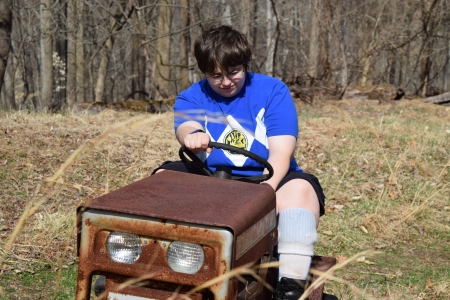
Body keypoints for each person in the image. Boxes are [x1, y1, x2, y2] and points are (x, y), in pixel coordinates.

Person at [153, 25, 329, 300]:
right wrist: (193, 135)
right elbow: (185, 126)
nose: (226, 82)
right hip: (211, 176)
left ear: (245, 64)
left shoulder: (272, 91)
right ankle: (151, 266)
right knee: (162, 177)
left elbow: (281, 153)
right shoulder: (192, 96)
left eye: (233, 72)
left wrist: (262, 195)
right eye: (215, 75)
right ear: (204, 72)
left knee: (301, 191)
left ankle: (290, 285)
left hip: (264, 177)